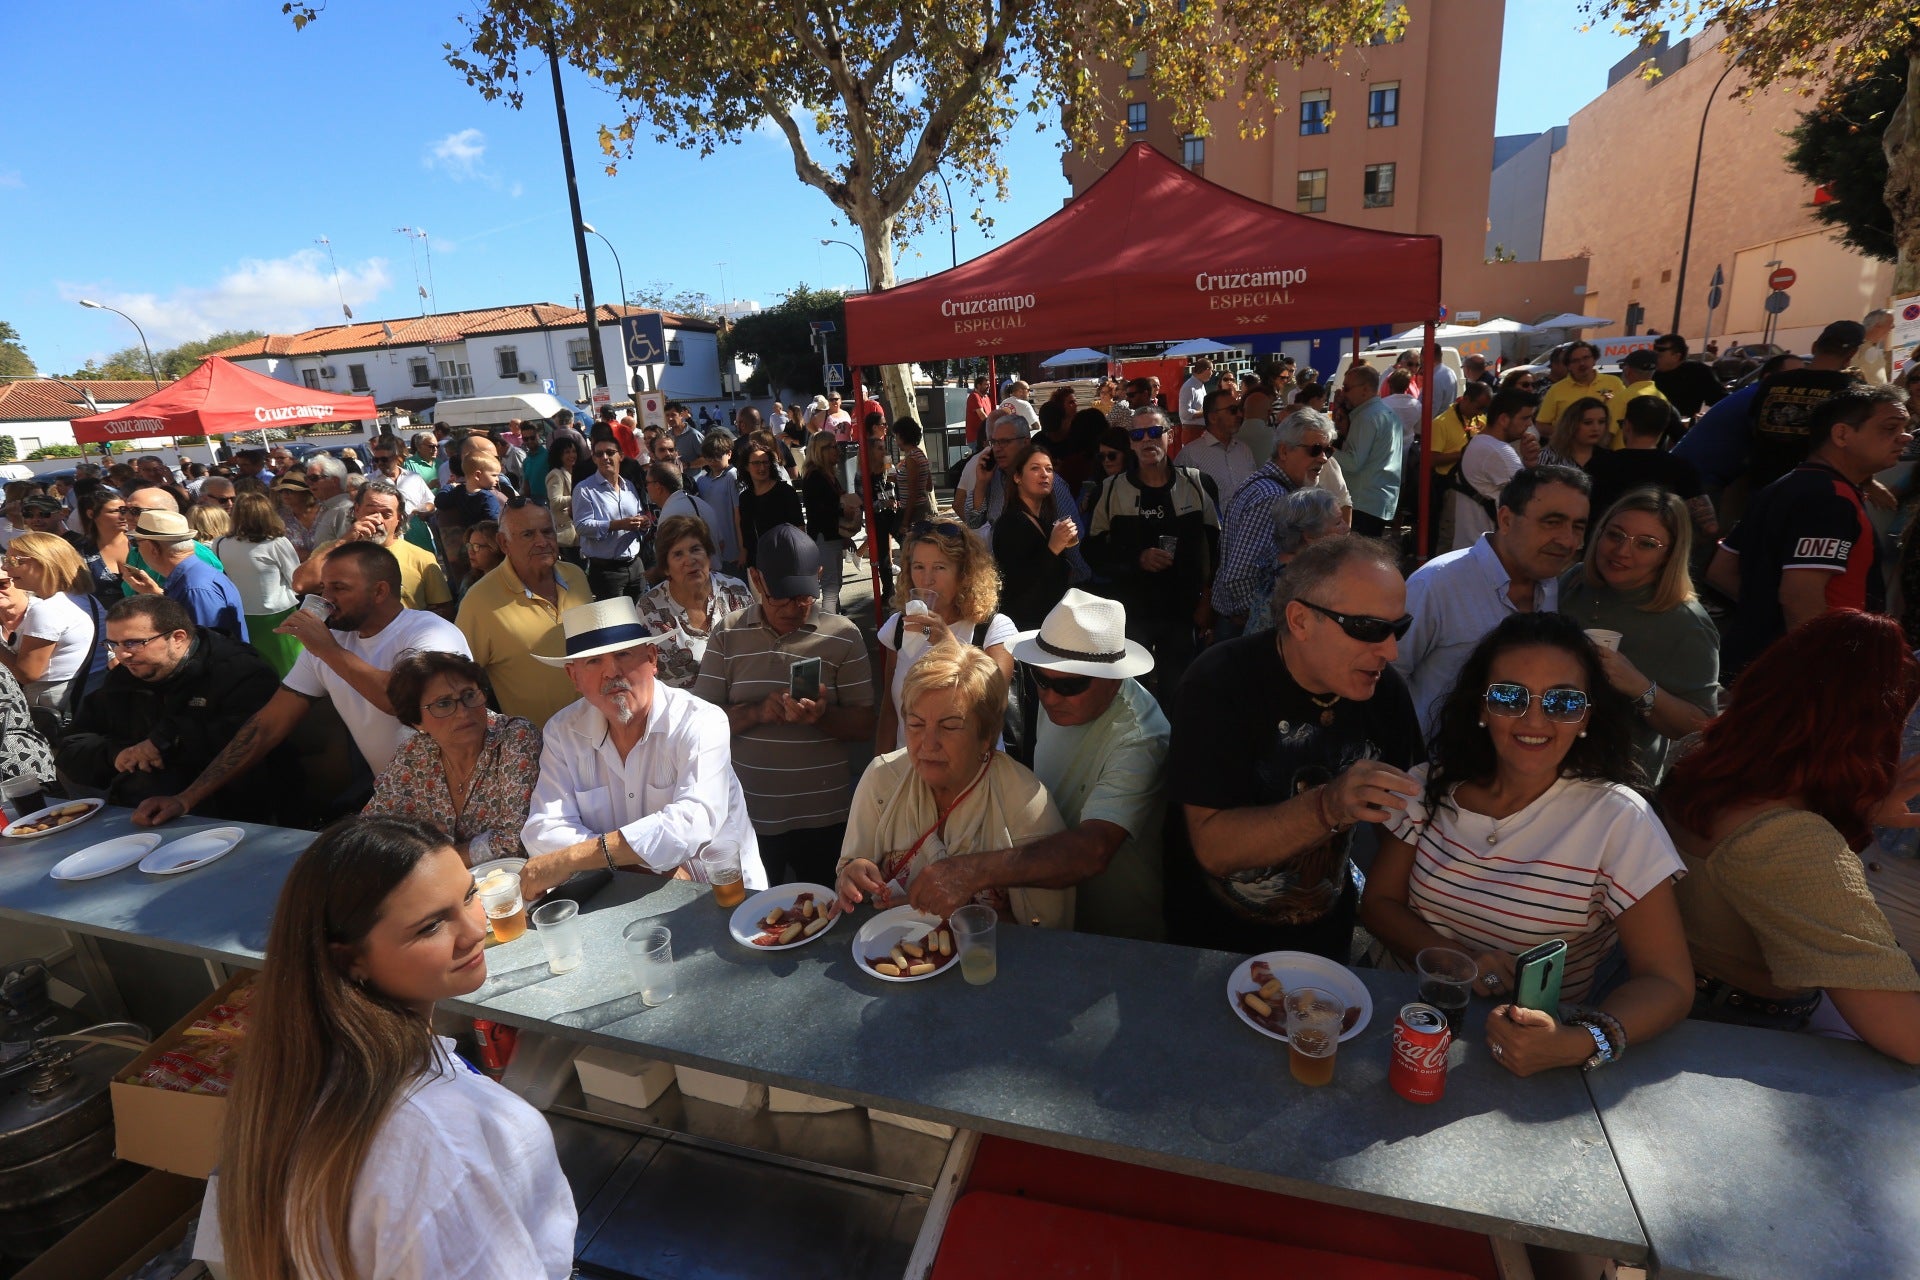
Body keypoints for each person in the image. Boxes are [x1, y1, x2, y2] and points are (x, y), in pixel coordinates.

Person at [195, 817, 576, 1278]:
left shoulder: (279, 1083)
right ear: (350, 958)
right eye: (431, 926)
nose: (476, 930)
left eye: (469, 895)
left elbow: (223, 1258)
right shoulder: (435, 1137)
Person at [1360, 612, 1693, 1076]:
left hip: (1530, 1057)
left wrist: (1579, 1042)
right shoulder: (1426, 788)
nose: (1534, 718)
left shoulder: (1619, 819)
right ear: (1480, 708)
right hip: (1395, 1025)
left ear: (1587, 716)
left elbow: (1668, 982)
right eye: (1509, 696)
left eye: (1563, 701)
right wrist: (1464, 964)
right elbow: (1378, 903)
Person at [1663, 612, 1920, 1062]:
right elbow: (1905, 1033)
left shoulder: (1698, 757)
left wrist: (1862, 810)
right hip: (1739, 1039)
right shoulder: (1790, 840)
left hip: (1663, 999)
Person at [1165, 537, 1421, 958]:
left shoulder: (1383, 690)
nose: (1390, 650)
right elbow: (1213, 847)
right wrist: (1328, 806)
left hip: (1324, 943)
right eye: (1369, 629)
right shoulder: (1218, 682)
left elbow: (1403, 825)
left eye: (1398, 628)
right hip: (1210, 948)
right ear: (1300, 621)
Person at [130, 542, 471, 827]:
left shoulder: (429, 632)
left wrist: (327, 649)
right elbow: (266, 726)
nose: (327, 597)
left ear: (380, 590)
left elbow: (408, 705)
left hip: (465, 795)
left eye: (339, 588)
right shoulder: (329, 645)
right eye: (324, 588)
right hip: (397, 799)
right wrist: (186, 798)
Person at [905, 591, 1171, 940]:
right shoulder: (1063, 696)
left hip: (1112, 931)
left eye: (1070, 685)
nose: (1049, 697)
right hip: (1042, 907)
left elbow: (1093, 850)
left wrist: (973, 871)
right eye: (1040, 679)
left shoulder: (1141, 738)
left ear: (1114, 678)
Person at [517, 598, 767, 899]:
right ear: (574, 677)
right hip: (620, 899)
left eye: (623, 654)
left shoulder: (701, 720)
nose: (611, 672)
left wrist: (576, 858)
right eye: (593, 661)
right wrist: (643, 867)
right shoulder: (562, 732)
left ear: (652, 658)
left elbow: (692, 822)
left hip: (723, 895)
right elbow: (543, 831)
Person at [835, 640, 1071, 925]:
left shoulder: (1026, 806)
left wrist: (968, 919)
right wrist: (852, 877)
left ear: (986, 736)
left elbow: (1048, 938)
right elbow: (851, 874)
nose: (928, 744)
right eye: (916, 724)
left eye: (950, 726)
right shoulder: (881, 780)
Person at [695, 526, 875, 885]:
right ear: (757, 580)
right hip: (750, 817)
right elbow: (700, 726)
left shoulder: (844, 636)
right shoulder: (728, 633)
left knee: (826, 913)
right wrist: (757, 712)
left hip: (827, 816)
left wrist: (822, 717)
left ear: (819, 578)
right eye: (781, 597)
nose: (794, 608)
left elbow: (864, 726)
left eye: (804, 597)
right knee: (759, 921)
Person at [1711, 384, 1911, 674]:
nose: (1904, 437)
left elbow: (1721, 568)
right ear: (1842, 434)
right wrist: (1824, 674)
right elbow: (1799, 597)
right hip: (1803, 678)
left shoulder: (1784, 486)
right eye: (1890, 428)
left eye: (1907, 428)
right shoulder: (1829, 498)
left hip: (1755, 666)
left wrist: (1765, 617)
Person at [1398, 466, 1591, 737]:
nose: (1567, 540)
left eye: (1577, 527)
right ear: (1506, 519)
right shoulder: (1437, 584)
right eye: (1552, 522)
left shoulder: (1551, 586)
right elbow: (1386, 679)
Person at [58, 596, 282, 821]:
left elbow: (253, 745)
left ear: (177, 638)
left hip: (230, 816)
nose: (121, 655)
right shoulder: (124, 677)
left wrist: (167, 741)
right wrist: (116, 755)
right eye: (113, 644)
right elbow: (70, 746)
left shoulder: (239, 672)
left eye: (133, 643)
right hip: (137, 813)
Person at [1557, 487, 1718, 784]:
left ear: (1669, 555)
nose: (1622, 551)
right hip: (1544, 763)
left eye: (1646, 544)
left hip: (1613, 786)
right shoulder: (1574, 581)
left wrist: (1640, 687)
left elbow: (1699, 728)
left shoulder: (1686, 623)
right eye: (1615, 535)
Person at [1083, 407, 1220, 700]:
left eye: (1155, 432)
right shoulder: (1109, 491)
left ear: (1171, 435)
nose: (1147, 440)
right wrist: (1137, 559)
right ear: (1131, 443)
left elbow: (1216, 547)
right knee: (1133, 698)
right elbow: (1092, 552)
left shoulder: (1197, 484)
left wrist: (1207, 601)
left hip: (1183, 614)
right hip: (1132, 615)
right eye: (1138, 434)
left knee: (1181, 695)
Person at [365, 652, 542, 864]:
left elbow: (517, 841)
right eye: (443, 704)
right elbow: (370, 831)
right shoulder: (414, 753)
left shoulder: (515, 737)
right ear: (417, 721)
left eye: (469, 695)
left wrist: (431, 860)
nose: (463, 712)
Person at [876, 520, 1016, 753]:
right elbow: (891, 709)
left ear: (964, 574)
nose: (927, 579)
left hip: (971, 774)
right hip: (910, 769)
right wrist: (880, 771)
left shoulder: (993, 630)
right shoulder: (898, 627)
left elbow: (994, 705)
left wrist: (948, 645)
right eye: (919, 567)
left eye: (939, 567)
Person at [456, 498, 594, 729]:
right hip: (539, 747)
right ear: (503, 543)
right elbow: (460, 679)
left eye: (547, 532)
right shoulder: (479, 601)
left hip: (599, 728)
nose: (542, 542)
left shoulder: (576, 576)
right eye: (528, 535)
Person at [1212, 409, 1334, 639]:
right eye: (1315, 449)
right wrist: (1268, 617)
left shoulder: (1270, 487)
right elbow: (1239, 577)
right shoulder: (1272, 496)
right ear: (1285, 451)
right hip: (1244, 631)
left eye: (1328, 449)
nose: (1324, 457)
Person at [293, 480, 454, 618]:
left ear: (399, 518)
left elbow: (444, 609)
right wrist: (345, 541)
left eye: (386, 514)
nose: (378, 520)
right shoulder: (331, 550)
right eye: (371, 511)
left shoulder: (421, 558)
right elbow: (300, 585)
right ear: (356, 510)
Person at [636, 515, 755, 690]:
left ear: (708, 555)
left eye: (696, 549)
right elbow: (643, 672)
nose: (690, 560)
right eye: (678, 554)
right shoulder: (649, 608)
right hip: (683, 711)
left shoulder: (735, 590)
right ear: (666, 567)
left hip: (741, 698)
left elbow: (758, 645)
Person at [1746, 319, 1868, 489]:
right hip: (1816, 489)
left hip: (1762, 485)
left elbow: (1752, 425)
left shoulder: (1773, 381)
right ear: (1851, 354)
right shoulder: (1854, 390)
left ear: (1814, 346)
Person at [0, 532, 100, 713]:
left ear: (44, 563)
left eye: (14, 561)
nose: (6, 567)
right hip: (87, 694)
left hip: (51, 702)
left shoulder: (48, 609)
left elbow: (26, 674)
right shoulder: (87, 600)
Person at [992, 443, 1082, 631]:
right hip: (1025, 627)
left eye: (1049, 469)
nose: (1044, 474)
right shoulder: (1010, 522)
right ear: (1017, 477)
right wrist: (1053, 549)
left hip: (1050, 623)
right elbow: (1018, 582)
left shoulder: (1046, 520)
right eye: (1035, 468)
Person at [212, 490, 302, 677]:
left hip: (242, 614)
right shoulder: (277, 542)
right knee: (290, 668)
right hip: (277, 613)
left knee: (260, 668)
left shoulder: (219, 543)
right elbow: (296, 579)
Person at [123, 510, 248, 643]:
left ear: (152, 548)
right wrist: (156, 594)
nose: (136, 550)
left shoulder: (195, 589)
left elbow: (207, 647)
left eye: (137, 543)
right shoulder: (194, 578)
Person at [1448, 388, 1542, 552]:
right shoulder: (1498, 451)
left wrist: (1529, 462)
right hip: (1487, 553)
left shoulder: (1480, 442)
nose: (1529, 425)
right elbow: (1532, 498)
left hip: (1473, 549)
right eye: (1525, 418)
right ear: (1504, 419)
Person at [1243, 488, 1349, 633]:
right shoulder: (1295, 582)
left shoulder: (1285, 566)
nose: (1346, 527)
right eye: (1338, 523)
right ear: (1311, 535)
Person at [1588, 395, 1704, 522]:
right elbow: (1709, 525)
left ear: (1627, 425)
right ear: (1662, 429)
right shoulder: (1682, 468)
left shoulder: (1599, 465)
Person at [573, 435, 649, 601]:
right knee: (616, 623)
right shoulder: (584, 489)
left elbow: (638, 515)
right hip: (607, 572)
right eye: (599, 454)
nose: (605, 457)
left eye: (609, 452)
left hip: (636, 565)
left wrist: (643, 523)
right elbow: (581, 526)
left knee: (642, 617)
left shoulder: (628, 486)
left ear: (620, 455)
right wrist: (617, 524)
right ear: (593, 459)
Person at [1337, 362, 1403, 537]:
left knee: (1356, 558)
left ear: (1365, 389)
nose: (1344, 393)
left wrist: (1325, 450)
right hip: (1378, 499)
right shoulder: (1386, 413)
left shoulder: (1367, 417)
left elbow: (1353, 463)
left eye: (1347, 388)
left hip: (1363, 502)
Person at [1181, 388, 1258, 509]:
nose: (1240, 414)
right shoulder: (1190, 454)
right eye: (1232, 410)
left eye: (1240, 409)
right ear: (1213, 417)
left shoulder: (1244, 450)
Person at [799, 431, 850, 614]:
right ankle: (829, 623)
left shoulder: (828, 475)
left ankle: (833, 618)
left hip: (833, 535)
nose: (838, 451)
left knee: (835, 583)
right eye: (833, 447)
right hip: (824, 536)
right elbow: (821, 511)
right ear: (821, 450)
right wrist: (845, 508)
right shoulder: (815, 476)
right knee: (830, 585)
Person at [735, 440, 805, 572]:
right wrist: (744, 552)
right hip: (757, 563)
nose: (762, 468)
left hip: (786, 559)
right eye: (756, 463)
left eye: (765, 462)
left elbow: (799, 527)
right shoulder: (745, 498)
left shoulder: (785, 491)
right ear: (746, 467)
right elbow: (746, 530)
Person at [1537, 341, 1626, 442]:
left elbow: (1624, 413)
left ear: (1594, 360)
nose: (1582, 363)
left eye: (1586, 358)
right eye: (1575, 360)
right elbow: (1542, 425)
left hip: (1608, 449)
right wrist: (1570, 435)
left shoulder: (1614, 383)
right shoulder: (1556, 390)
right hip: (1569, 453)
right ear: (1568, 366)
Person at [694, 432, 744, 573]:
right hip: (713, 552)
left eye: (717, 455)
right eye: (708, 456)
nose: (712, 460)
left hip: (733, 552)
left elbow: (739, 515)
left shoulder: (733, 476)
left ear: (729, 453)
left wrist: (742, 549)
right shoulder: (702, 480)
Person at [1652, 333, 1726, 421]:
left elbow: (1721, 401)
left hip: (1684, 429)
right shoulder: (1650, 373)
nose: (1654, 359)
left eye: (1659, 356)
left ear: (1676, 356)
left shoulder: (1698, 371)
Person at [74, 487, 130, 604]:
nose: (122, 516)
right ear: (91, 514)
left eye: (124, 510)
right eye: (114, 511)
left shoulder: (142, 543)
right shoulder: (80, 551)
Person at [1540, 395, 1612, 476]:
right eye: (1587, 423)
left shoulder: (1610, 458)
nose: (1596, 428)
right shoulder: (1548, 456)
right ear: (1571, 424)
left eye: (1601, 422)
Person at [1611, 348, 1669, 448]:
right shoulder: (1662, 398)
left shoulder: (1623, 397)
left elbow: (1607, 435)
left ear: (1628, 371)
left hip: (1620, 459)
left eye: (1622, 367)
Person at [542, 433, 584, 560]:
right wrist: (579, 497)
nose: (572, 455)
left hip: (580, 532)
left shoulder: (576, 471)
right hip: (568, 536)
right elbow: (554, 502)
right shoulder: (556, 474)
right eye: (567, 452)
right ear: (559, 455)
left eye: (574, 451)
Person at [306, 454, 355, 547]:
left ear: (334, 481)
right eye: (307, 479)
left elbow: (347, 550)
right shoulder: (325, 508)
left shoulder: (344, 510)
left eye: (314, 478)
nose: (309, 483)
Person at [892, 418, 933, 526]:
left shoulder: (911, 459)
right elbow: (929, 486)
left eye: (896, 436)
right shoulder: (920, 454)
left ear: (902, 436)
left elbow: (912, 493)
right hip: (924, 507)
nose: (895, 440)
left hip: (914, 513)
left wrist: (905, 521)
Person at [1178, 358, 1213, 430]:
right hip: (1192, 432)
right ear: (1207, 370)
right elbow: (1185, 413)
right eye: (1212, 370)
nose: (1212, 373)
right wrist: (1206, 412)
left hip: (1202, 430)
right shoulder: (1189, 387)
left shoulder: (1200, 385)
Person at [964, 373, 995, 446]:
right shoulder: (974, 396)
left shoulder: (986, 397)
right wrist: (994, 426)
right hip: (976, 438)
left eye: (989, 384)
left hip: (985, 436)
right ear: (978, 385)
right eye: (986, 384)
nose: (988, 387)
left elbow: (989, 414)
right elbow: (982, 415)